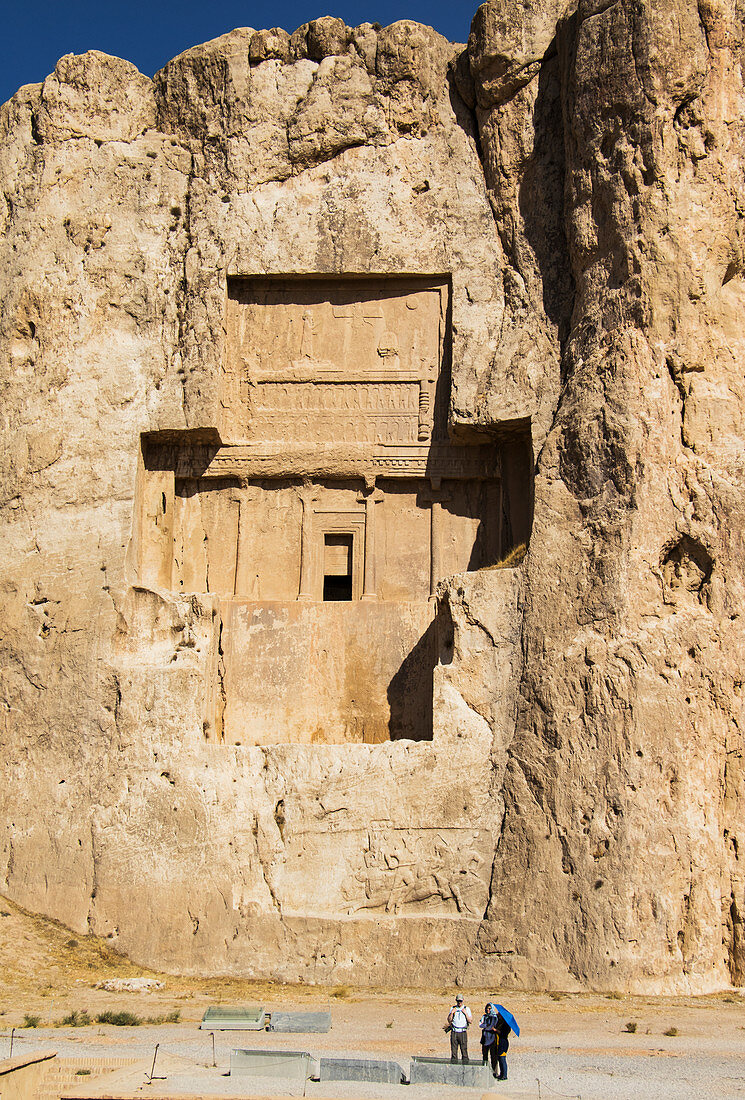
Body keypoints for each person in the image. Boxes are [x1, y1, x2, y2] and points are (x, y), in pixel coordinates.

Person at [447, 993, 472, 1062]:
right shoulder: (453, 1008)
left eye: (460, 1001)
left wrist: (465, 1013)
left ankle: (465, 1066)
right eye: (458, 1001)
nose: (459, 1003)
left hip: (463, 1032)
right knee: (454, 1052)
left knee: (464, 1051)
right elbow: (449, 1020)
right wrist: (452, 1013)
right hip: (454, 1031)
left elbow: (470, 1021)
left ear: (463, 1000)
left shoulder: (467, 1009)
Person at [479, 1002, 499, 1072]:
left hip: (492, 1038)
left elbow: (491, 1026)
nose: (488, 1010)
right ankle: (485, 1070)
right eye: (487, 1008)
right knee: (485, 1055)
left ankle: (494, 1071)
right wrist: (486, 1026)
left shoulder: (494, 1017)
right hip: (485, 1037)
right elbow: (480, 1024)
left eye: (489, 1009)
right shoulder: (484, 1016)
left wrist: (487, 1026)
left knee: (493, 1055)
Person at [494, 1009, 511, 1081]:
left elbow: (503, 1033)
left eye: (499, 1014)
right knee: (499, 1058)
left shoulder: (506, 1025)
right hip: (499, 1041)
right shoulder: (499, 1022)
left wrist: (496, 1030)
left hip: (503, 1042)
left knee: (502, 1058)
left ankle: (504, 1075)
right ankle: (501, 1074)